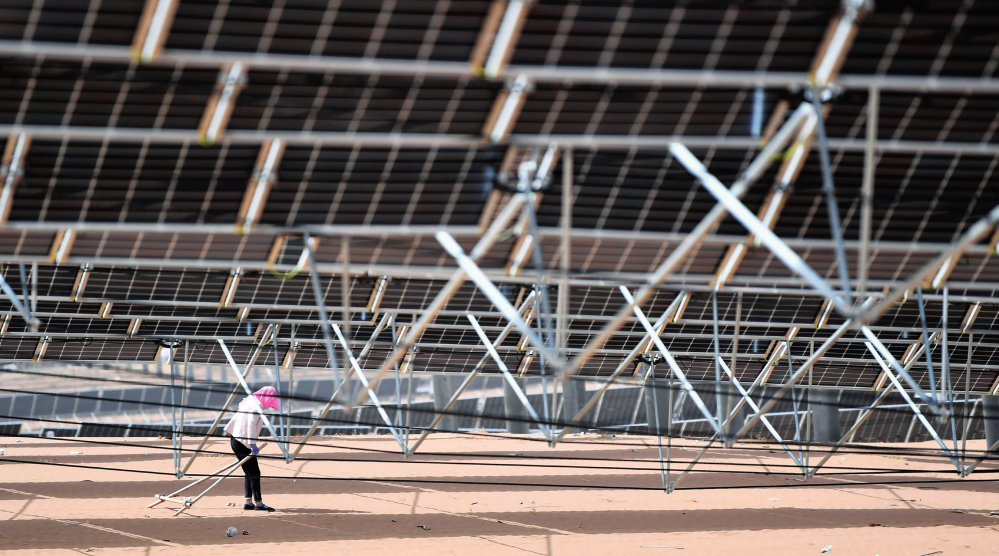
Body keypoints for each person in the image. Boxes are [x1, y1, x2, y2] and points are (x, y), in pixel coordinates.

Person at [224, 385, 279, 512]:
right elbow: (251, 424)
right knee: (255, 473)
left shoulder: (250, 400)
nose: (270, 405)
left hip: (236, 440)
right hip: (243, 442)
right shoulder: (256, 405)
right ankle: (258, 503)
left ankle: (248, 502)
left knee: (249, 473)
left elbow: (237, 418)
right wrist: (252, 444)